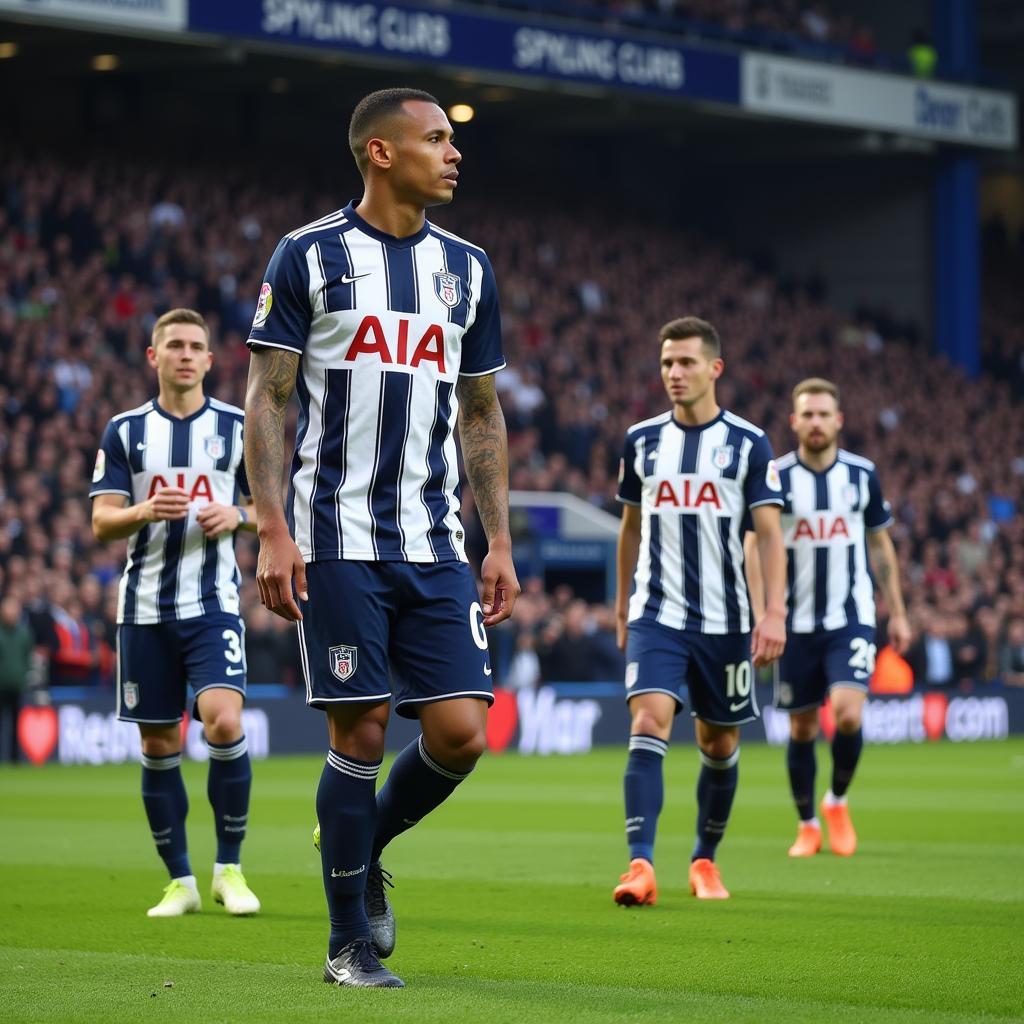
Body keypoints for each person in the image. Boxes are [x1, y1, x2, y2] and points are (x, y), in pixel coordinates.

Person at [244, 87, 519, 989]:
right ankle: (347, 947)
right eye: (436, 139)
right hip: (336, 536)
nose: (455, 152)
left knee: (460, 734)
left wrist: (500, 541)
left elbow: (482, 413)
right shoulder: (310, 255)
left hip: (436, 540)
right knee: (359, 729)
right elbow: (270, 398)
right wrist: (274, 527)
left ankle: (363, 850)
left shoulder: (469, 270)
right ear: (381, 154)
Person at [90, 308, 261, 918]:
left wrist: (237, 515)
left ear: (211, 361)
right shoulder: (125, 431)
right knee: (160, 741)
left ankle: (229, 870)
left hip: (212, 602)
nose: (186, 355)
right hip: (142, 611)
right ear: (153, 357)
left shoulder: (239, 427)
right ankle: (181, 881)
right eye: (175, 346)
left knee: (222, 721)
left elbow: (274, 514)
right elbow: (101, 520)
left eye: (196, 346)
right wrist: (142, 512)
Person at [612, 316, 786, 907]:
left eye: (686, 362)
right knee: (648, 721)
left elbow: (770, 534)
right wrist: (620, 607)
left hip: (729, 620)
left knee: (717, 743)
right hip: (657, 613)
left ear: (715, 368)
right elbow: (630, 530)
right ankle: (640, 865)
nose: (674, 373)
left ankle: (704, 861)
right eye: (666, 363)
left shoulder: (748, 443)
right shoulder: (641, 441)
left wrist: (774, 612)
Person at [745, 378, 910, 858]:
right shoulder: (775, 476)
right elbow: (753, 544)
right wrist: (761, 613)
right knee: (801, 728)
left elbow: (881, 543)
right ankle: (807, 823)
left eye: (824, 414)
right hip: (792, 622)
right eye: (807, 415)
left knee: (848, 712)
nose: (815, 422)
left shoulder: (862, 475)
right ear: (794, 421)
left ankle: (836, 801)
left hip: (850, 617)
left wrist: (897, 611)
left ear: (838, 420)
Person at [0, 594, 36, 761]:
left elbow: (28, 657)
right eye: (9, 608)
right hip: (1, 685)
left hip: (17, 685)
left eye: (15, 609)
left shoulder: (23, 633)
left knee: (16, 724)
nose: (12, 612)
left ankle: (14, 758)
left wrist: (26, 676)